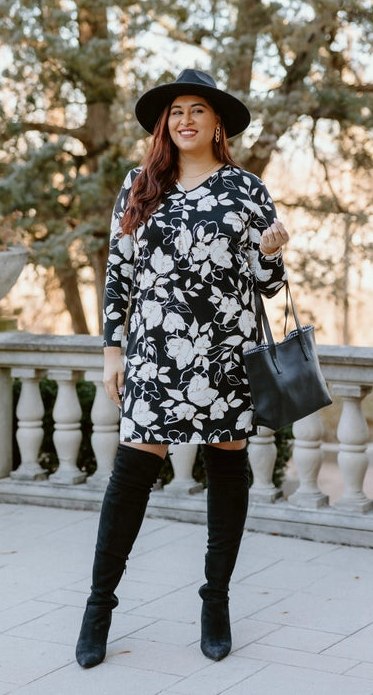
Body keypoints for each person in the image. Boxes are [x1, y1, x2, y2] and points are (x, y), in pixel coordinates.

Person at [76, 67, 289, 668]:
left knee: (228, 466)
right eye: (176, 112)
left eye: (198, 110)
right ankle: (98, 607)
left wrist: (271, 254)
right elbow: (119, 275)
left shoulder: (247, 190)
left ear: (218, 121)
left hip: (226, 353)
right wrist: (112, 350)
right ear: (164, 124)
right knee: (132, 475)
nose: (186, 120)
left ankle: (215, 601)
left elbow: (269, 285)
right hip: (157, 354)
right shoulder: (139, 185)